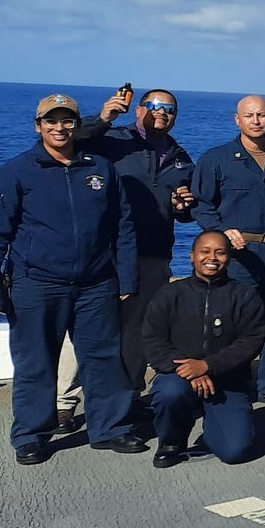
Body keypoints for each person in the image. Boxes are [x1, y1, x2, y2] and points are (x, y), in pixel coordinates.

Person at [0, 94, 146, 464]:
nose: (60, 128)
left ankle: (110, 428)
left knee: (103, 359)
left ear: (76, 125)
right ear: (38, 126)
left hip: (96, 284)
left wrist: (128, 279)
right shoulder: (18, 170)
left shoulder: (101, 169)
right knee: (36, 362)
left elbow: (123, 228)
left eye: (67, 121)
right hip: (36, 284)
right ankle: (31, 434)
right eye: (51, 121)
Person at [63, 86, 195, 420]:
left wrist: (182, 207)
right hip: (103, 251)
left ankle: (128, 395)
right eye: (154, 106)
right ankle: (64, 401)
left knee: (138, 329)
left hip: (152, 254)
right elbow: (71, 141)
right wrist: (105, 116)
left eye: (169, 109)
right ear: (139, 109)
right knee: (84, 325)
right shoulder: (113, 140)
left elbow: (184, 210)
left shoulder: (181, 158)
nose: (161, 112)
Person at [191, 95, 265, 403]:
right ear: (237, 119)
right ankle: (232, 384)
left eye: (262, 115)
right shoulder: (216, 159)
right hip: (239, 256)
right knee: (234, 322)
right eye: (250, 115)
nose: (256, 120)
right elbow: (201, 206)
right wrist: (220, 234)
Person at [142, 230, 264, 468]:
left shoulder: (244, 295)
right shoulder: (170, 294)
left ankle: (216, 427)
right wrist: (189, 368)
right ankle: (172, 441)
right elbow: (152, 340)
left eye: (220, 252)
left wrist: (208, 365)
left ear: (229, 257)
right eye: (205, 251)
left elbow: (251, 340)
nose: (212, 258)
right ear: (192, 256)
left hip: (227, 379)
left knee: (235, 452)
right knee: (169, 393)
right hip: (180, 377)